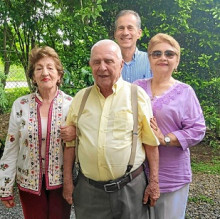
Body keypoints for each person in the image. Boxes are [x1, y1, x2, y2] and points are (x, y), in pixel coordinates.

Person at [62, 39, 160, 219]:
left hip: (130, 188)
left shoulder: (137, 95)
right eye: (96, 62)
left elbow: (150, 143)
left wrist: (154, 182)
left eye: (108, 61)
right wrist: (67, 181)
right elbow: (70, 144)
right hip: (89, 192)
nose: (102, 67)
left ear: (121, 64)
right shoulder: (80, 98)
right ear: (91, 65)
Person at [134, 33, 206, 219]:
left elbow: (197, 130)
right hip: (137, 174)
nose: (163, 58)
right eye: (156, 53)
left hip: (172, 174)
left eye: (169, 54)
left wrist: (165, 139)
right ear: (149, 58)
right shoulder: (135, 88)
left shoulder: (185, 92)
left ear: (177, 60)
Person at [0, 46, 73, 219]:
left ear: (59, 75)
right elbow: (11, 147)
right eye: (39, 68)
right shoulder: (21, 105)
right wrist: (5, 186)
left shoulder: (71, 104)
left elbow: (80, 144)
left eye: (50, 67)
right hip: (28, 182)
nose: (44, 72)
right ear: (33, 76)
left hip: (61, 182)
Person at [114, 10, 152, 83]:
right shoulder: (107, 63)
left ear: (139, 33)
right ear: (115, 34)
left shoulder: (151, 61)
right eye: (121, 28)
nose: (125, 33)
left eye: (130, 28)